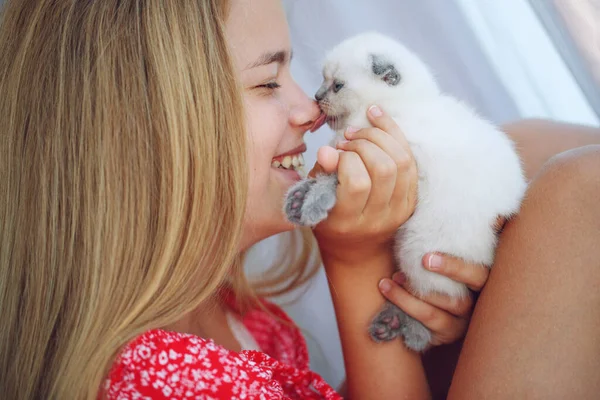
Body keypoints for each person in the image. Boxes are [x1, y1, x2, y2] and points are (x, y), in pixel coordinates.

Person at [0, 0, 598, 399]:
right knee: (580, 191)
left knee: (522, 143)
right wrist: (359, 266)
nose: (310, 111)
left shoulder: (234, 311)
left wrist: (423, 305)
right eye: (267, 83)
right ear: (151, 138)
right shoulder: (161, 380)